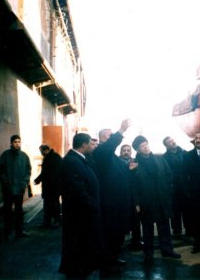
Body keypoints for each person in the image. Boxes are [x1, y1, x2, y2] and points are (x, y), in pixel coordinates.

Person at [58, 133, 104, 278]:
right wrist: (92, 204)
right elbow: (77, 189)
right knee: (77, 244)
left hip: (84, 211)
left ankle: (81, 268)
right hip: (79, 213)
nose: (92, 146)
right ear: (84, 145)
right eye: (90, 143)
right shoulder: (72, 161)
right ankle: (77, 271)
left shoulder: (79, 159)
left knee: (82, 244)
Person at [132, 136, 181, 262]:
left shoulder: (159, 158)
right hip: (146, 201)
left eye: (146, 144)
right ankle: (148, 253)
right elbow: (132, 185)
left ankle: (167, 250)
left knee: (164, 226)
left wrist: (168, 192)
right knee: (147, 229)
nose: (146, 147)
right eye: (142, 146)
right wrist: (136, 202)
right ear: (137, 150)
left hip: (161, 199)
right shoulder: (134, 164)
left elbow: (169, 175)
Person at [93, 119, 134, 268]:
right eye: (108, 136)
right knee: (110, 234)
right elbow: (109, 146)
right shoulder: (101, 152)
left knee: (118, 234)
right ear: (102, 139)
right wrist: (120, 131)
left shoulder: (113, 156)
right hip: (110, 203)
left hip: (119, 202)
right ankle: (108, 264)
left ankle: (113, 258)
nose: (112, 138)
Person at [0, 135, 32, 239]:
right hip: (8, 189)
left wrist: (24, 183)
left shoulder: (24, 156)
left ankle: (19, 231)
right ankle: (7, 232)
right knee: (7, 211)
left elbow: (28, 170)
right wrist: (5, 182)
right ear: (11, 143)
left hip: (19, 190)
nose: (17, 144)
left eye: (19, 142)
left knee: (19, 211)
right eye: (15, 142)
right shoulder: (5, 155)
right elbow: (0, 170)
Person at [119, 144, 144, 251]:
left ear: (131, 152)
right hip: (121, 196)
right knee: (121, 221)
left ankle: (136, 242)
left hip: (134, 197)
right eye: (124, 150)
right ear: (120, 152)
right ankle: (119, 244)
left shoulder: (135, 162)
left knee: (136, 221)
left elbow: (139, 180)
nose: (126, 152)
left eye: (128, 150)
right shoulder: (117, 162)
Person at [162, 136, 188, 238]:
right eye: (169, 142)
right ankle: (177, 231)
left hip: (185, 186)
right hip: (173, 188)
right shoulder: (164, 158)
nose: (172, 142)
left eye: (172, 140)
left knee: (187, 209)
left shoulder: (184, 153)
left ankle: (189, 228)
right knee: (175, 211)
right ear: (166, 146)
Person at [34, 144, 63, 228]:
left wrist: (39, 180)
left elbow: (49, 173)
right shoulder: (52, 157)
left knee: (53, 205)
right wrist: (38, 180)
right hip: (51, 187)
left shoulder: (53, 158)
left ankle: (54, 221)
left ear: (45, 150)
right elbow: (45, 173)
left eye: (41, 151)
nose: (41, 153)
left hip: (52, 187)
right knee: (49, 205)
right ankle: (49, 221)